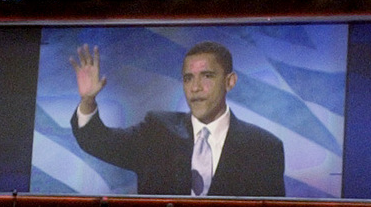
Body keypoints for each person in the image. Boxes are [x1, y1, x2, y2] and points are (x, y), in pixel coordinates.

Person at [70, 42, 286, 196]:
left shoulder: (264, 147)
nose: (195, 87)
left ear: (230, 81)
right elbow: (98, 140)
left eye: (207, 76)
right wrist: (88, 100)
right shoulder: (156, 131)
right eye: (188, 78)